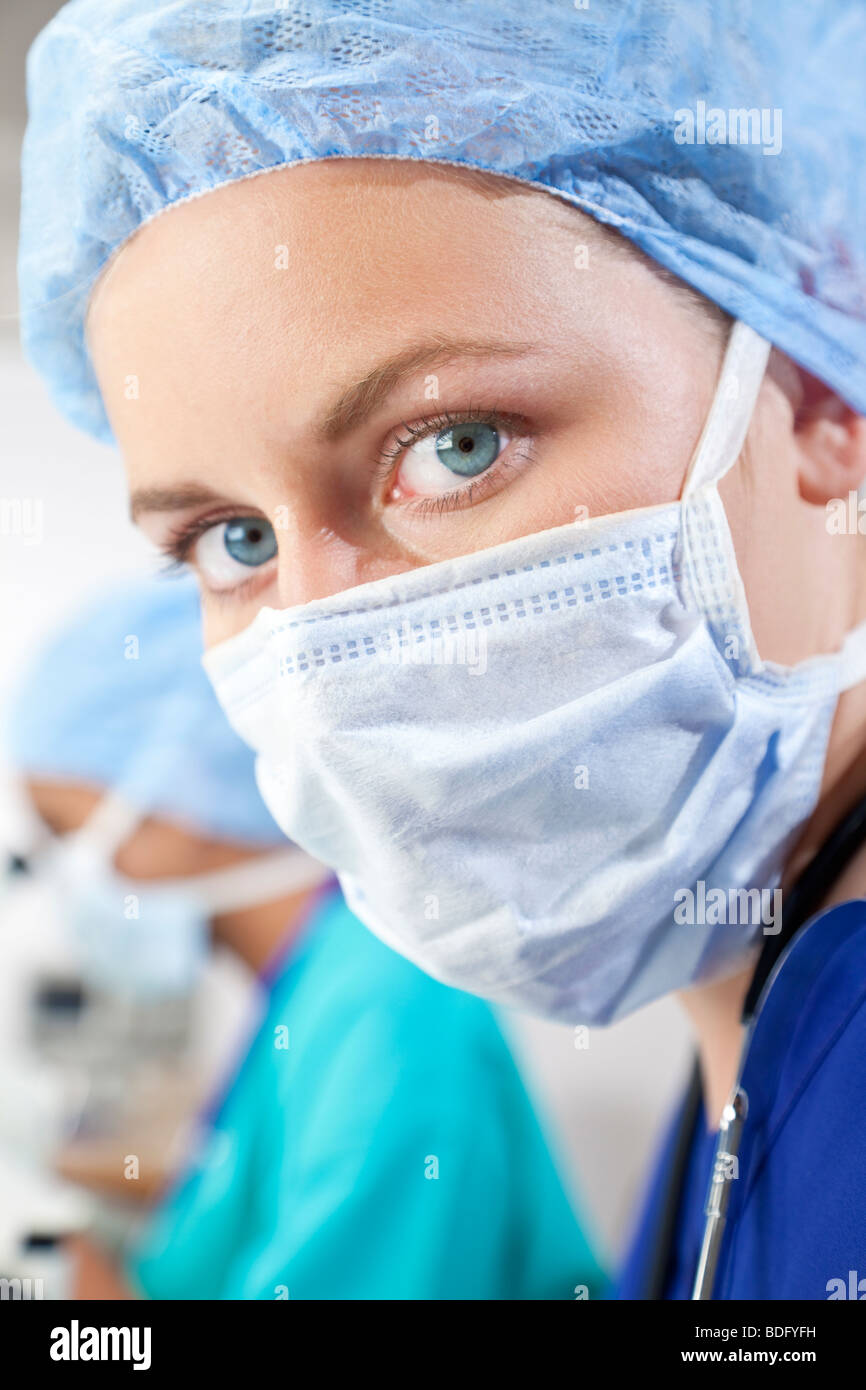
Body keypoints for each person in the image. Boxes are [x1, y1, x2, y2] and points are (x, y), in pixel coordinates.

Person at [17, 1, 866, 1300]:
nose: (316, 640)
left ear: (815, 407)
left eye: (453, 445)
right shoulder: (758, 1032)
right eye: (230, 538)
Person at [3, 575, 603, 1300]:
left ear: (179, 791)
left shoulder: (383, 1002)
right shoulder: (312, 988)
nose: (74, 881)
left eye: (73, 834)